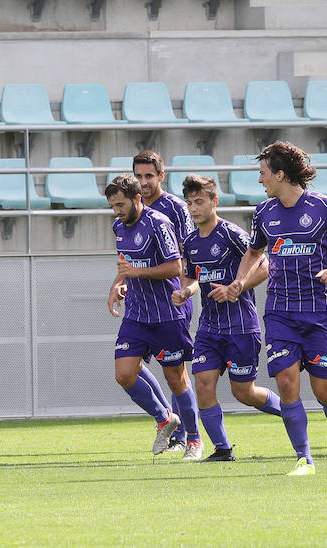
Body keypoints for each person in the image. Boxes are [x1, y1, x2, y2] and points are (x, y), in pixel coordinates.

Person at [229, 142, 327, 475]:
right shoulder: (263, 213)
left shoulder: (324, 206)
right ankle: (304, 458)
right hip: (280, 312)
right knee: (287, 382)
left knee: (322, 390)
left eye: (263, 173)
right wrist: (238, 281)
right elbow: (253, 252)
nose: (260, 180)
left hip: (319, 312)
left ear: (280, 174)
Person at [172, 174, 280, 462]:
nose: (194, 208)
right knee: (203, 383)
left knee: (244, 392)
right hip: (209, 327)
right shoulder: (191, 242)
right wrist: (186, 291)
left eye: (199, 202)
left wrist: (237, 287)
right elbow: (194, 277)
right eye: (189, 203)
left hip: (241, 326)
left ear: (214, 201)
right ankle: (222, 449)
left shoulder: (232, 234)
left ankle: (289, 412)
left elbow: (265, 265)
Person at [105, 174, 202, 459]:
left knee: (176, 379)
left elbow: (175, 267)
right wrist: (118, 285)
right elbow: (126, 266)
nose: (117, 211)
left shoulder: (159, 224)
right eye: (113, 206)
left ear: (137, 199)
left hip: (167, 313)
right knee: (124, 374)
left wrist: (137, 272)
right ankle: (164, 419)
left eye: (120, 204)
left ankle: (194, 441)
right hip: (136, 313)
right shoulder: (118, 227)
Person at [132, 150, 196, 453]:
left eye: (149, 176)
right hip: (140, 301)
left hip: (173, 298)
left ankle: (183, 436)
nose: (143, 182)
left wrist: (184, 292)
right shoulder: (131, 207)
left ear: (161, 175)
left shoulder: (176, 208)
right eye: (139, 176)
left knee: (175, 370)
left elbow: (189, 254)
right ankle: (168, 421)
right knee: (128, 365)